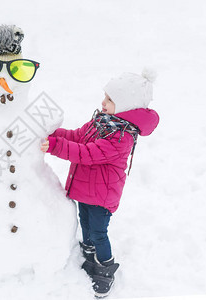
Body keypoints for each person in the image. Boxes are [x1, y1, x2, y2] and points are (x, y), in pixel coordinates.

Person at [41, 69, 160, 298]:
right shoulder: (102, 122)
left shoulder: (121, 136)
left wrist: (55, 145)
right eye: (105, 96)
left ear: (126, 106)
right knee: (85, 223)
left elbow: (87, 153)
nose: (103, 102)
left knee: (98, 232)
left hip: (102, 195)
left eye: (110, 99)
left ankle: (105, 268)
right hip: (86, 191)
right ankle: (88, 253)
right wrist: (53, 133)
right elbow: (77, 136)